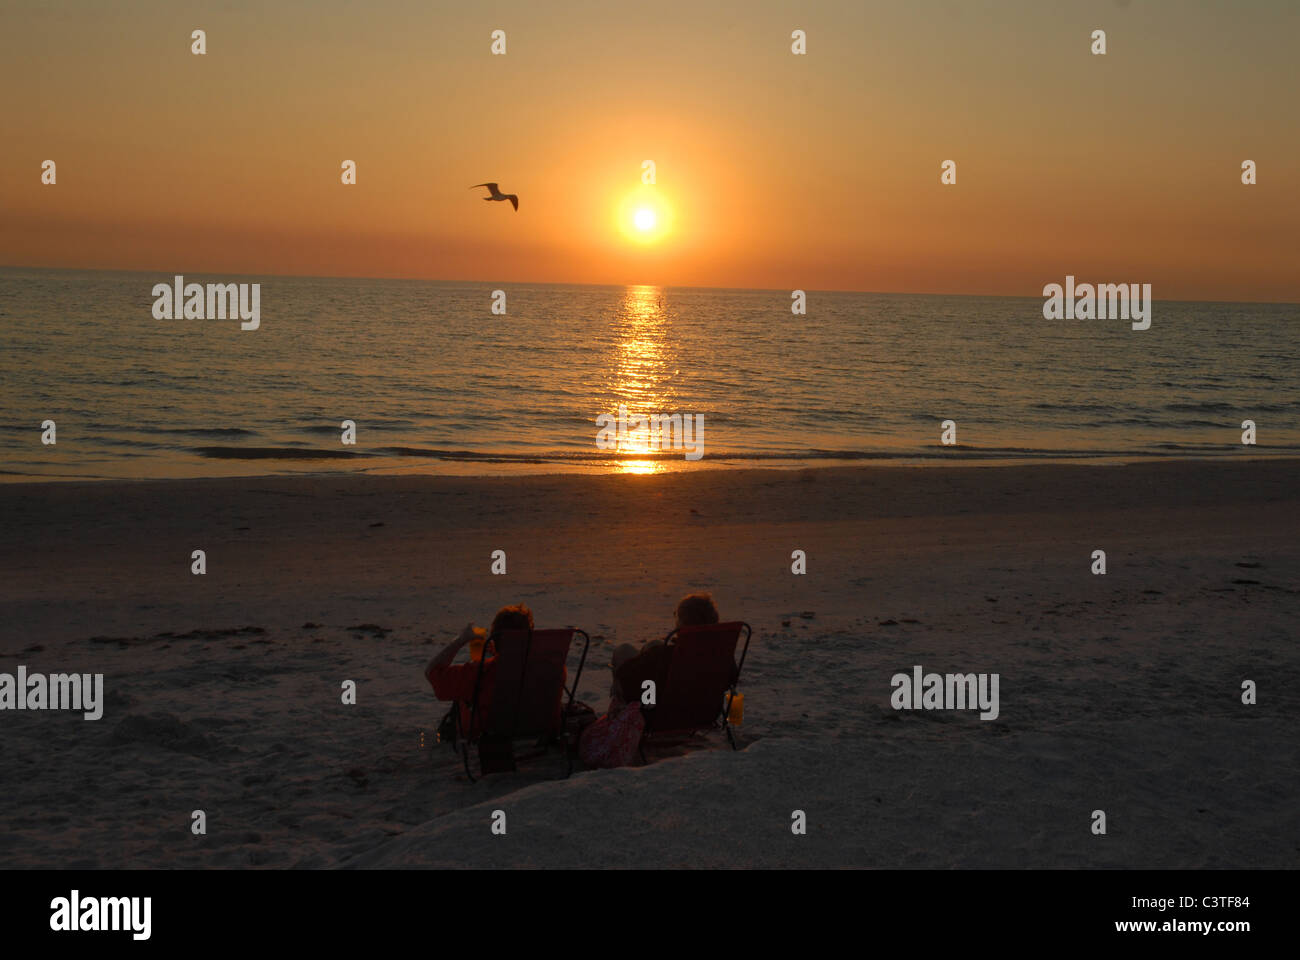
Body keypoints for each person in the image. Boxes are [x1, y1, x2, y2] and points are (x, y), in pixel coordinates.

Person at [578, 592, 726, 769]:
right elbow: (730, 679)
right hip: (703, 713)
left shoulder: (665, 656)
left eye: (677, 617)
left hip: (657, 714)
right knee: (653, 647)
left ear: (683, 624)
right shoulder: (720, 656)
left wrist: (639, 664)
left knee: (624, 651)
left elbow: (629, 680)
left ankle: (617, 717)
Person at [425, 604, 559, 738]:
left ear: (495, 638)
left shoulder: (481, 673)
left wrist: (461, 639)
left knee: (462, 695)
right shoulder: (552, 667)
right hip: (535, 728)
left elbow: (431, 671)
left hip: (489, 733)